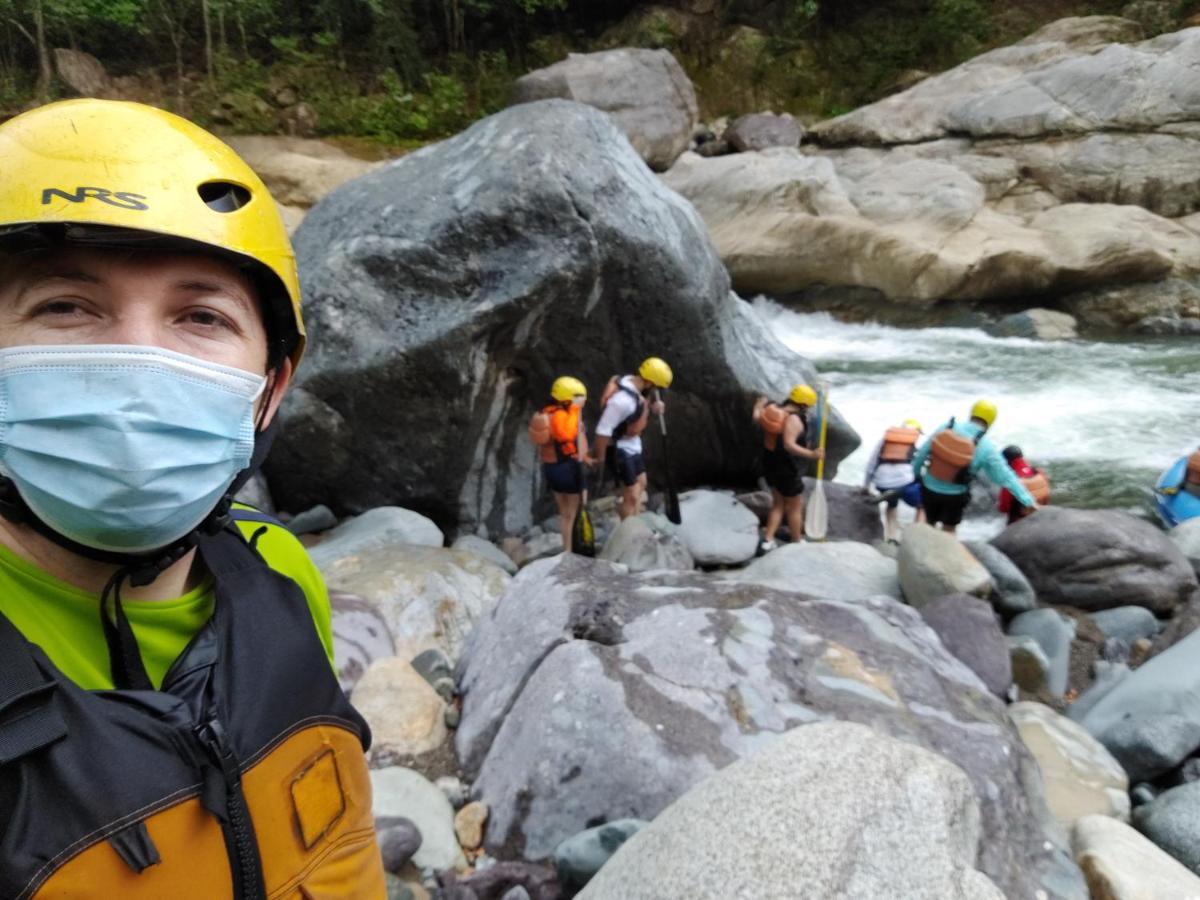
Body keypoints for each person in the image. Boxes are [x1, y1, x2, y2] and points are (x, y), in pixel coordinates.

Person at [0, 100, 385, 897]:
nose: (138, 362)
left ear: (269, 391)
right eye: (65, 306)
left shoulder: (276, 571)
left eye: (201, 317)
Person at [910, 399, 1037, 535]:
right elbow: (1005, 477)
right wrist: (1027, 500)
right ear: (990, 422)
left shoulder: (946, 427)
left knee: (929, 522)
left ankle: (922, 545)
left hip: (929, 488)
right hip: (955, 496)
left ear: (972, 414)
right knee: (949, 529)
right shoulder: (986, 446)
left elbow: (922, 454)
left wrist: (914, 475)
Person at [592, 356, 672, 519]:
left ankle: (634, 521)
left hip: (633, 444)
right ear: (649, 382)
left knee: (642, 483)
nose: (657, 391)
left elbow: (639, 406)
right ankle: (628, 532)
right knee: (632, 494)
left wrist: (654, 408)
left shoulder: (632, 382)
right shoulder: (622, 401)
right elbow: (603, 430)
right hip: (618, 449)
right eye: (656, 387)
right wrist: (599, 458)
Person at [752, 384, 825, 551]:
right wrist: (812, 454)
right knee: (794, 506)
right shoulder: (794, 419)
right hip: (786, 467)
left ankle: (768, 540)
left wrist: (758, 406)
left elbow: (757, 417)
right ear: (804, 404)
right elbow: (789, 445)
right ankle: (797, 540)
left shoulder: (772, 409)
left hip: (770, 463)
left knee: (778, 503)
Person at [529, 375, 592, 551]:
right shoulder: (566, 418)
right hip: (569, 467)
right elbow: (573, 442)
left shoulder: (544, 415)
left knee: (564, 514)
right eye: (577, 397)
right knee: (573, 512)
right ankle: (575, 548)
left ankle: (567, 549)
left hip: (551, 468)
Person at [861, 418, 926, 543]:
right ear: (916, 432)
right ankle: (916, 538)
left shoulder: (886, 440)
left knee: (892, 504)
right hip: (904, 482)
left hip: (881, 481)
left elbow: (871, 463)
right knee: (922, 506)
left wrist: (866, 485)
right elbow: (917, 465)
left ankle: (891, 535)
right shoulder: (913, 444)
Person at [998, 445, 1051, 524]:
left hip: (1018, 524)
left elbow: (1003, 508)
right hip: (1040, 516)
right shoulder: (1039, 472)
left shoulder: (1011, 481)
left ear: (1008, 462)